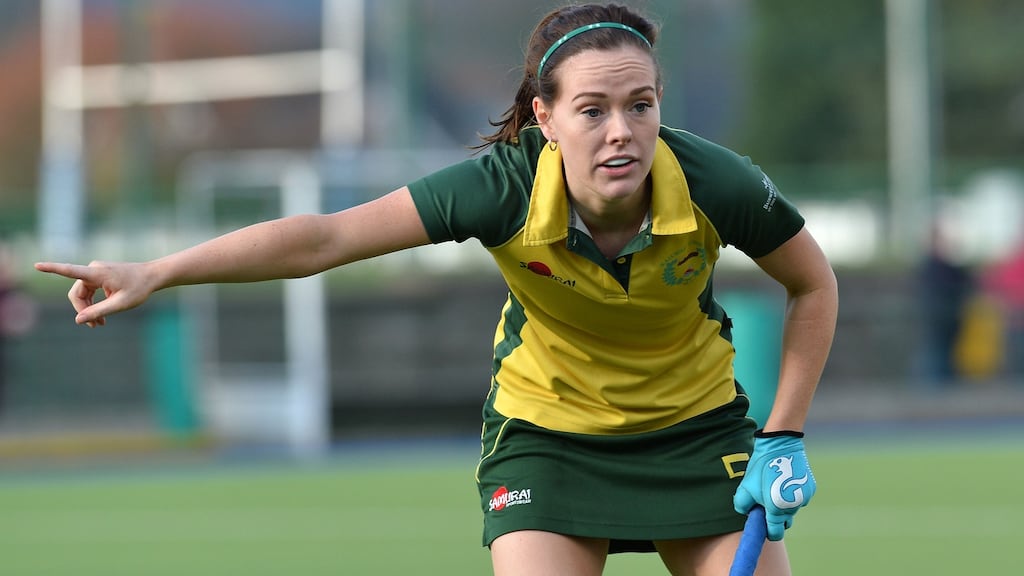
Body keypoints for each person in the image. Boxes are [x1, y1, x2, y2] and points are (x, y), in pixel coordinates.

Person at [36, 3, 838, 574]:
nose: (621, 129)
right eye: (592, 109)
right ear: (545, 118)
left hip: (696, 434)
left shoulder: (714, 182)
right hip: (549, 438)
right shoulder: (500, 188)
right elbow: (325, 238)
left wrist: (784, 435)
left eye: (641, 104)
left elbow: (813, 284)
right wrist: (157, 270)